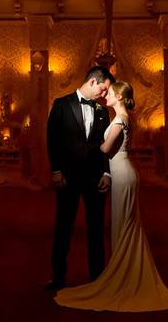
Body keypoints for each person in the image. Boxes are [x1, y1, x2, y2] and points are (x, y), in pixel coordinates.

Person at [55, 81, 168, 312]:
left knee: (125, 226)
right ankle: (126, 274)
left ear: (119, 97)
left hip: (123, 175)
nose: (105, 95)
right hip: (121, 172)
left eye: (110, 93)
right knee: (125, 225)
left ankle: (126, 278)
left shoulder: (119, 119)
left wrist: (80, 145)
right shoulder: (121, 117)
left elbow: (105, 149)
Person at [45, 66, 114, 291]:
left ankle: (98, 278)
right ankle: (58, 278)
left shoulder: (101, 111)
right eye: (103, 89)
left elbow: (106, 145)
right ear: (93, 82)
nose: (104, 95)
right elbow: (52, 139)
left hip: (95, 178)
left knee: (96, 229)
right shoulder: (61, 105)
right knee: (63, 227)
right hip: (68, 177)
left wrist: (106, 172)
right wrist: (56, 170)